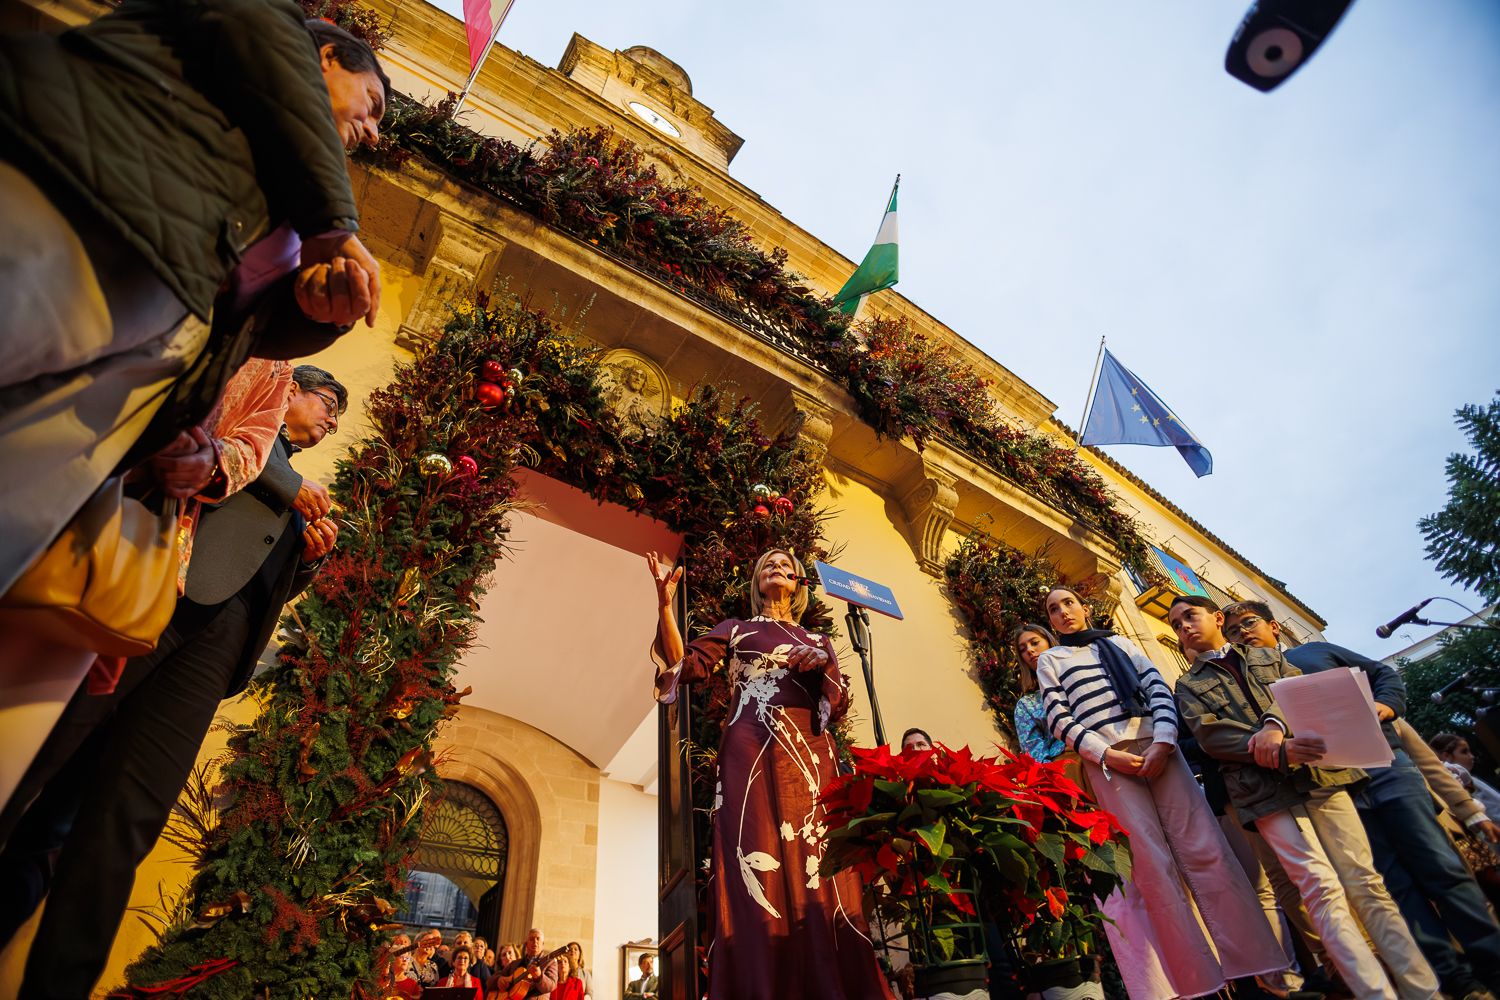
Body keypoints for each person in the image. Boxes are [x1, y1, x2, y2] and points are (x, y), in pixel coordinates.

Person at [0, 10, 386, 600]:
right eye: (374, 103)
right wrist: (333, 223)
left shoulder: (287, 202)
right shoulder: (255, 31)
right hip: (54, 245)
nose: (376, 133)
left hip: (95, 411)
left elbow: (243, 331)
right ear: (328, 58)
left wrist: (313, 315)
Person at [0, 367, 346, 998]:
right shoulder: (253, 428)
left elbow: (267, 587)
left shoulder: (299, 498)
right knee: (38, 763)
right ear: (286, 392)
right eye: (325, 404)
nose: (330, 421)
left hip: (215, 651)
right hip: (156, 600)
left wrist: (308, 560)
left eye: (337, 418)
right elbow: (224, 448)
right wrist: (293, 488)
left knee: (128, 818)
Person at [648, 548, 897, 999]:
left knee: (818, 860)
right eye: (767, 565)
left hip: (810, 753)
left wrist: (823, 664)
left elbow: (834, 706)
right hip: (750, 747)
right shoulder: (736, 628)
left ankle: (830, 978)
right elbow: (686, 666)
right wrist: (665, 607)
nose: (776, 570)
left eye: (786, 566)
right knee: (755, 847)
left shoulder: (818, 640)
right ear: (756, 582)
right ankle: (761, 981)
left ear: (800, 582)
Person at [1224, 601, 1500, 1000]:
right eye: (1233, 631)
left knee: (1440, 867)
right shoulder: (1246, 686)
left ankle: (1492, 963)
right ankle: (1457, 979)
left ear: (1274, 627)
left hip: (1384, 766)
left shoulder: (1314, 653)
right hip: (1333, 789)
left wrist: (1386, 705)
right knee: (1394, 886)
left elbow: (1383, 673)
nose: (1243, 633)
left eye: (1249, 623)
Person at [1170, 594, 1440, 1000]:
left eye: (1190, 616)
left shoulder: (1268, 656)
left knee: (1365, 882)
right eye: (1175, 624)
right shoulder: (1187, 685)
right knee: (1318, 887)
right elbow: (1210, 735)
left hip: (1320, 771)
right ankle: (1375, 994)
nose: (1184, 626)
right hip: (1261, 792)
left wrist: (1278, 726)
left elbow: (1300, 691)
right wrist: (1276, 749)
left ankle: (1424, 991)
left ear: (1217, 617)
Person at [1034, 586, 1286, 1000]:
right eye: (1053, 609)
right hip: (1110, 761)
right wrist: (1105, 754)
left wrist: (1164, 742)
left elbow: (1157, 691)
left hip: (1160, 749)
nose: (1063, 613)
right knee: (1151, 865)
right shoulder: (1051, 659)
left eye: (1069, 604)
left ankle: (1255, 967)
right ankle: (1197, 982)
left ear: (1085, 608)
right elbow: (1059, 717)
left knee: (1206, 849)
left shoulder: (1123, 644)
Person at [1011, 623, 1065, 762]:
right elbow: (1035, 756)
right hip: (1067, 761)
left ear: (1049, 642)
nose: (1029, 650)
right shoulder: (1027, 705)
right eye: (1023, 649)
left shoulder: (1079, 673)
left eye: (1034, 643)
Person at [1434, 734, 1500, 819]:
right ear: (1446, 756)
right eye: (1464, 752)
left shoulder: (1471, 779)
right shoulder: (1458, 781)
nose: (1471, 756)